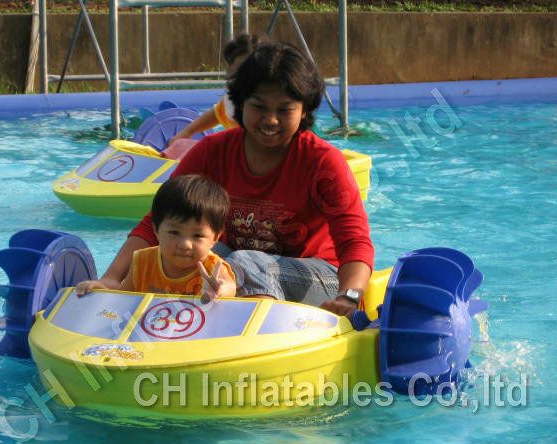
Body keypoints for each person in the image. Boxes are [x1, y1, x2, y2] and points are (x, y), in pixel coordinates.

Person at [98, 42, 374, 317]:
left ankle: (262, 341)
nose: (270, 120)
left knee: (243, 262)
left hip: (320, 279)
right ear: (240, 104)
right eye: (259, 107)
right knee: (187, 252)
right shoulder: (211, 152)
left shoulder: (323, 162)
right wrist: (112, 278)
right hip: (233, 273)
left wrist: (349, 297)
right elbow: (159, 222)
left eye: (284, 110)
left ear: (304, 111)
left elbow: (355, 242)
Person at [75, 175, 236, 300]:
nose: (186, 244)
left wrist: (220, 290)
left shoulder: (214, 267)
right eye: (174, 232)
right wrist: (104, 290)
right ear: (156, 230)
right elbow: (124, 298)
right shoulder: (143, 261)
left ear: (215, 237)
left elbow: (229, 287)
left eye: (197, 235)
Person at [167, 33, 263, 145]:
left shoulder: (270, 104)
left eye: (249, 73)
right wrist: (186, 132)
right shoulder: (233, 100)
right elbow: (216, 114)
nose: (243, 79)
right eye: (237, 74)